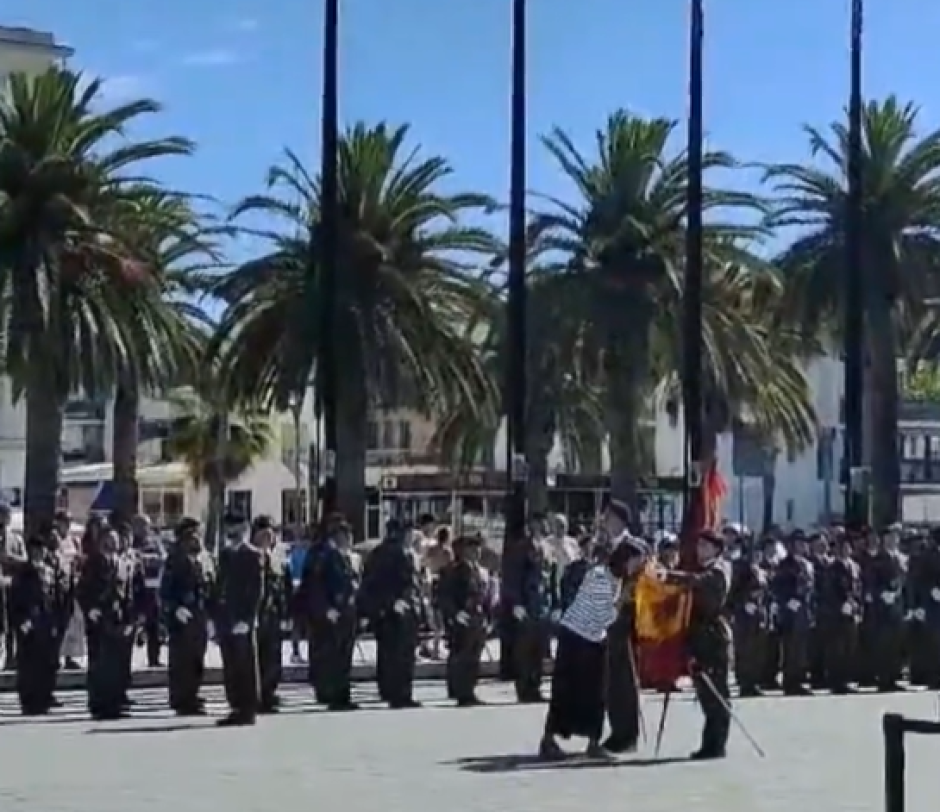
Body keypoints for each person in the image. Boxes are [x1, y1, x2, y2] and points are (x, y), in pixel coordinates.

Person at [538, 538, 625, 759]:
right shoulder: (598, 577)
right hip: (576, 639)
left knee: (596, 694)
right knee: (566, 692)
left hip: (595, 640)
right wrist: (620, 603)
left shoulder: (616, 580)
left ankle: (593, 741)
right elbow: (603, 616)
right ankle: (549, 740)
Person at [655, 530, 732, 760]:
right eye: (699, 545)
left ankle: (716, 744)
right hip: (699, 638)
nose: (700, 550)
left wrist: (669, 576)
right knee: (705, 694)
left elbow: (700, 583)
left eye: (705, 546)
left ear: (716, 549)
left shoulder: (719, 570)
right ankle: (710, 743)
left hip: (713, 637)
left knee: (716, 693)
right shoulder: (702, 570)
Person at [360, 519, 423, 709]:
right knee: (396, 654)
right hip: (393, 610)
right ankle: (398, 693)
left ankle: (396, 691)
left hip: (401, 608)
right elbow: (377, 583)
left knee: (398, 653)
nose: (412, 536)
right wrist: (391, 602)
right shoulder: (388, 554)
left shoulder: (404, 552)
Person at [299, 514, 360, 710]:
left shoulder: (344, 556)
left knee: (342, 654)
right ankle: (333, 694)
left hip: (345, 612)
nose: (349, 539)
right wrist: (326, 609)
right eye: (345, 534)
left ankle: (340, 693)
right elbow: (315, 585)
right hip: (331, 614)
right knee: (331, 655)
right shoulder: (323, 555)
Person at [601, 500, 647, 753]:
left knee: (625, 679)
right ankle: (617, 729)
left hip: (627, 620)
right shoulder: (606, 547)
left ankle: (627, 735)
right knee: (611, 679)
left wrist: (620, 600)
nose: (605, 523)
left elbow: (640, 580)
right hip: (607, 620)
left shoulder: (634, 547)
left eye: (608, 517)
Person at [77, 527, 135, 721]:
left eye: (115, 540)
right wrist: (90, 609)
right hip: (99, 618)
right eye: (109, 540)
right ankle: (98, 704)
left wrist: (129, 619)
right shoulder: (92, 564)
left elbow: (127, 593)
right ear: (101, 541)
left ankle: (114, 703)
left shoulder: (122, 564)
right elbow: (81, 589)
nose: (113, 543)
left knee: (116, 664)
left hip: (117, 618)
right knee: (99, 663)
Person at [10, 534, 70, 715]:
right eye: (35, 551)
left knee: (47, 662)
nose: (38, 554)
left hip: (47, 620)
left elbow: (56, 596)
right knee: (29, 664)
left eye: (41, 550)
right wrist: (20, 621)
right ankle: (29, 701)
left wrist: (58, 620)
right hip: (29, 622)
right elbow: (15, 600)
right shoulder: (23, 573)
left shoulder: (50, 571)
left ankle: (44, 697)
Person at [160, 517, 214, 716]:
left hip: (200, 615)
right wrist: (175, 609)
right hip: (182, 616)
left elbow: (210, 586)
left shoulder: (204, 559)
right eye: (192, 535)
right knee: (181, 661)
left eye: (197, 535)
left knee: (197, 658)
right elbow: (165, 591)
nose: (196, 539)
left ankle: (193, 694)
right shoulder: (174, 560)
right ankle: (181, 699)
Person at [214, 519, 265, 726]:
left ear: (245, 531)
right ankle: (235, 706)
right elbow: (219, 587)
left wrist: (248, 619)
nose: (232, 534)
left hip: (243, 620)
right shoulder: (225, 555)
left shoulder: (253, 555)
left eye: (237, 530)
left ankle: (249, 708)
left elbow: (256, 591)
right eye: (229, 530)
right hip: (226, 618)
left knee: (246, 665)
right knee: (231, 665)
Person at [438, 534, 489, 706]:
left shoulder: (481, 571)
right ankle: (461, 692)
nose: (476, 552)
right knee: (462, 655)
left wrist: (488, 616)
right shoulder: (456, 571)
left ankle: (470, 689)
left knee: (474, 656)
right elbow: (445, 595)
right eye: (472, 549)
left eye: (478, 548)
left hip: (478, 618)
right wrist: (455, 613)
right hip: (463, 618)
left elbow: (485, 596)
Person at [255, 516, 292, 713]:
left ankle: (270, 692)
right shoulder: (251, 555)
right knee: (256, 657)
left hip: (273, 614)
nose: (269, 537)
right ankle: (257, 695)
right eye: (264, 534)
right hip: (256, 614)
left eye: (271, 533)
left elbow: (283, 587)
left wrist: (287, 613)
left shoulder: (278, 558)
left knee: (273, 655)